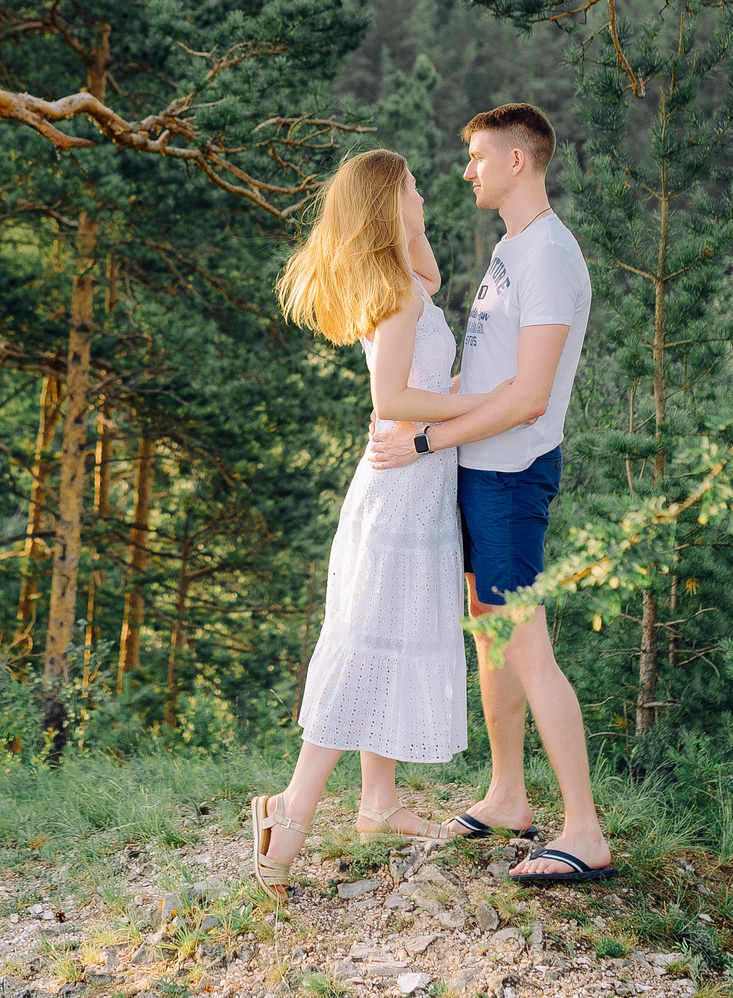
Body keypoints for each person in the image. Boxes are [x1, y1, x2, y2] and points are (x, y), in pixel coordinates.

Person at [366, 102, 614, 885]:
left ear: (517, 162)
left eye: (476, 157)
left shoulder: (548, 257)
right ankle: (508, 794)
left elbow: (530, 395)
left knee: (528, 647)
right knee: (493, 640)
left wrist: (426, 439)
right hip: (482, 470)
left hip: (508, 478)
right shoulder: (513, 248)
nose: (465, 170)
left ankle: (584, 829)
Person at [249, 149, 501, 893]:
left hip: (418, 487)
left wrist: (406, 222)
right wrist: (483, 405)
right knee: (364, 642)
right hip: (398, 489)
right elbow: (392, 400)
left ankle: (379, 802)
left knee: (388, 635)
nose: (427, 194)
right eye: (413, 188)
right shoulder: (394, 295)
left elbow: (428, 276)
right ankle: (288, 809)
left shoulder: (409, 281)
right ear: (391, 201)